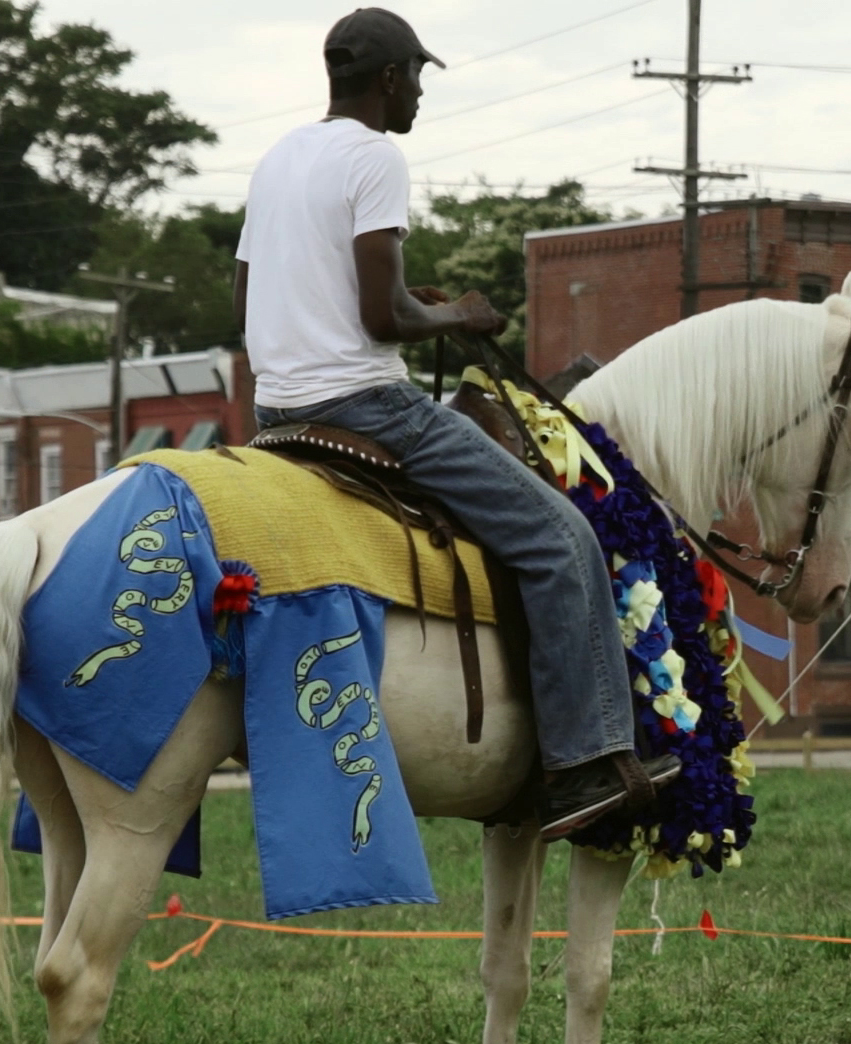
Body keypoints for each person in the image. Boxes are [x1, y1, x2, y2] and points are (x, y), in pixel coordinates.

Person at [232, 8, 678, 841]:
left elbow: (244, 299)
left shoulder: (279, 157)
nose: (422, 96)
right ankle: (584, 767)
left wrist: (399, 313)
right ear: (391, 78)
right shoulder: (375, 154)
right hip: (367, 405)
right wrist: (460, 313)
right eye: (419, 78)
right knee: (562, 538)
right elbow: (381, 314)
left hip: (274, 410)